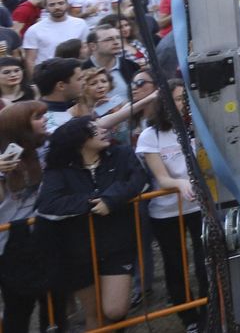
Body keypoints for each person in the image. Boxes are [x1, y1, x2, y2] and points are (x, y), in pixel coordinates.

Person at [38, 115, 149, 327]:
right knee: (95, 313)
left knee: (115, 310)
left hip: (117, 245)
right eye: (93, 129)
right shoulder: (59, 170)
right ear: (77, 139)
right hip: (77, 252)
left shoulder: (122, 154)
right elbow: (48, 204)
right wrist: (92, 203)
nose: (103, 131)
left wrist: (111, 199)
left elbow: (139, 180)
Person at [135, 80, 209, 329]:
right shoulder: (150, 135)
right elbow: (162, 177)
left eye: (185, 99)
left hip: (199, 207)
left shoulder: (198, 128)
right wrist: (180, 184)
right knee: (175, 262)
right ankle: (189, 317)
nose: (182, 104)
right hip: (166, 211)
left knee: (205, 259)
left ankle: (211, 308)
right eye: (177, 99)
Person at [0, 101, 52, 333]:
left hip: (39, 236)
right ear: (20, 125)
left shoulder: (43, 148)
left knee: (51, 302)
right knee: (18, 307)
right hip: (8, 245)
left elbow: (93, 126)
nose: (45, 120)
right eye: (38, 117)